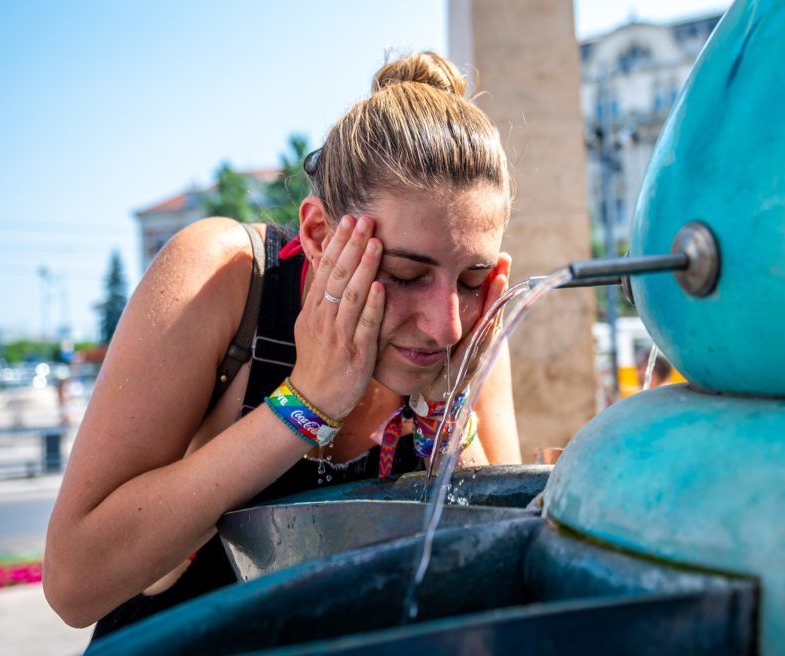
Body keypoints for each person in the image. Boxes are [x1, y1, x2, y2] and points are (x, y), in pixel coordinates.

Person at [43, 51, 522, 636]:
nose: (444, 324)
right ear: (319, 235)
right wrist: (306, 404)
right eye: (403, 273)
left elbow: (500, 575)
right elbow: (74, 585)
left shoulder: (462, 331)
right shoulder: (225, 281)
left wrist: (447, 418)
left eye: (471, 279)